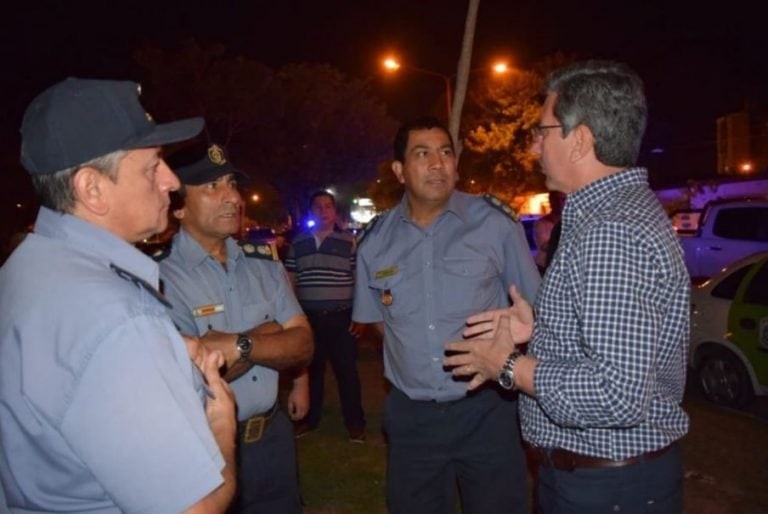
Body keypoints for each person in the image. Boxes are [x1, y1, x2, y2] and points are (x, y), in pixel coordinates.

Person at [445, 60, 690, 514]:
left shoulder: (610, 231)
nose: (535, 145)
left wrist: (508, 365)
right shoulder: (613, 214)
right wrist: (539, 328)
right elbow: (616, 340)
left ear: (580, 140)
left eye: (542, 130)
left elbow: (617, 394)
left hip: (606, 487)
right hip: (605, 479)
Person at [0, 78, 237, 513]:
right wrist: (222, 426)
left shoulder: (25, 269)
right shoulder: (118, 318)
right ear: (92, 188)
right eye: (152, 167)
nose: (171, 181)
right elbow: (193, 508)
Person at [352, 116, 541, 514]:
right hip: (412, 417)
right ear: (400, 171)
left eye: (446, 153)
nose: (438, 164)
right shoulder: (375, 242)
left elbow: (533, 309)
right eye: (423, 154)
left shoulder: (495, 225)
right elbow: (376, 324)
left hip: (487, 410)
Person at [158, 142, 313, 514]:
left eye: (231, 184)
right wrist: (271, 332)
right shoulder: (159, 278)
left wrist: (239, 345)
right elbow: (192, 378)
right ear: (178, 206)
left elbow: (304, 345)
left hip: (273, 438)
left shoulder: (264, 264)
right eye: (212, 187)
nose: (232, 197)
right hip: (206, 447)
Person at [285, 191, 366, 442]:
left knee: (347, 373)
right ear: (311, 212)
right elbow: (289, 282)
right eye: (318, 206)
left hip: (342, 319)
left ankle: (355, 424)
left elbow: (360, 281)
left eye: (328, 206)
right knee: (312, 373)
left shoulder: (349, 243)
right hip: (309, 321)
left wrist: (361, 316)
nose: (323, 210)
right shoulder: (297, 244)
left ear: (335, 212)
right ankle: (310, 420)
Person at [532, 190, 565, 273]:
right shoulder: (542, 223)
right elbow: (543, 246)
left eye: (563, 199)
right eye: (556, 200)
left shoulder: (570, 221)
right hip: (546, 266)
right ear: (551, 201)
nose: (560, 203)